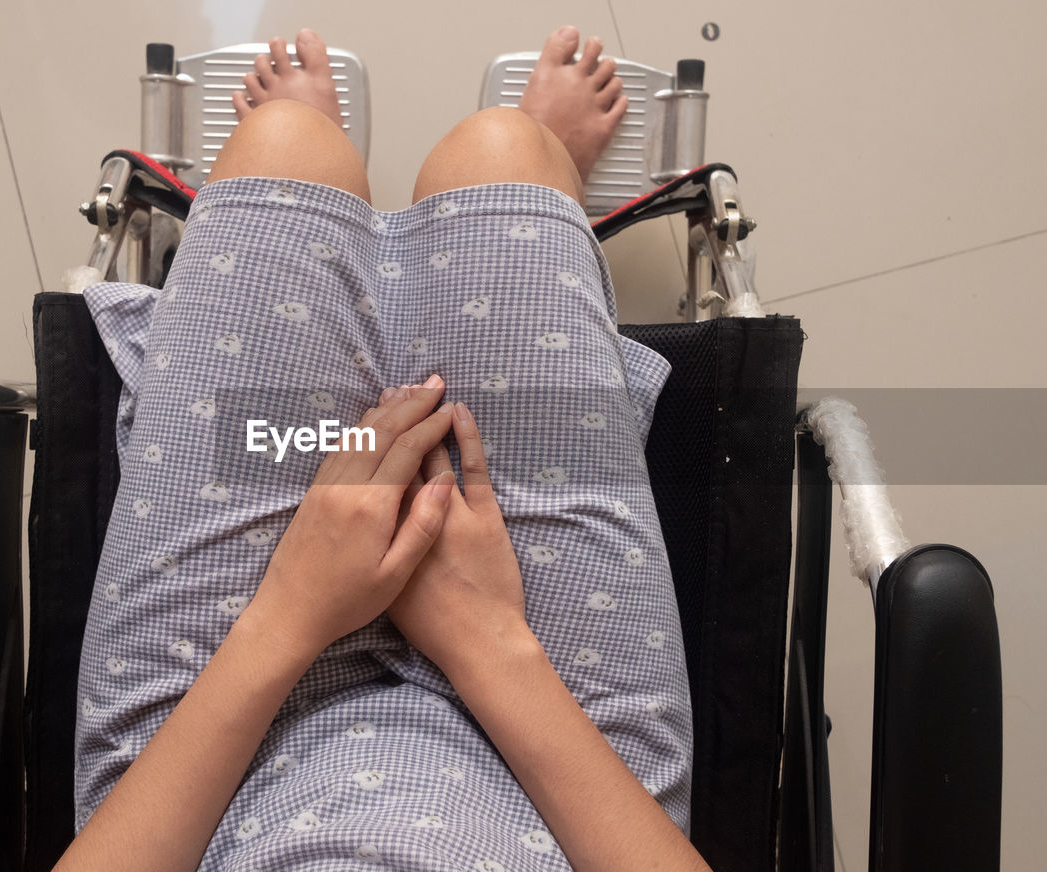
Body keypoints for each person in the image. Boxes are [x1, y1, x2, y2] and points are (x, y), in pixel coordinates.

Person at [57, 25, 710, 871]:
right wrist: (489, 642)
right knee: (500, 152)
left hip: (203, 788)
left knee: (285, 147)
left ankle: (343, 175)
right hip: (566, 788)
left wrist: (290, 613)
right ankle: (550, 175)